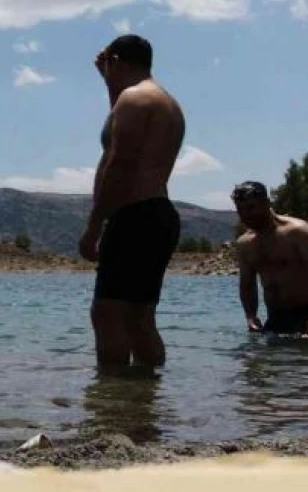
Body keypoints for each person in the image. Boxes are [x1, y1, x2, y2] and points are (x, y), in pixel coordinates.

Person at [79, 34, 186, 370]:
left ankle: (113, 408)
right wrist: (109, 83)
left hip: (134, 215)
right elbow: (118, 133)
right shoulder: (162, 101)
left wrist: (93, 226)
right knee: (139, 317)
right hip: (157, 214)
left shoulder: (134, 100)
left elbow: (120, 162)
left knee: (108, 313)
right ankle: (142, 402)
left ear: (114, 61)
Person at [231, 181, 308, 339]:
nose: (246, 214)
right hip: (275, 317)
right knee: (262, 362)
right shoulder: (245, 244)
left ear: (266, 203)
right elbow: (247, 284)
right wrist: (250, 316)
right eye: (240, 209)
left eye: (251, 207)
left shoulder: (296, 231)